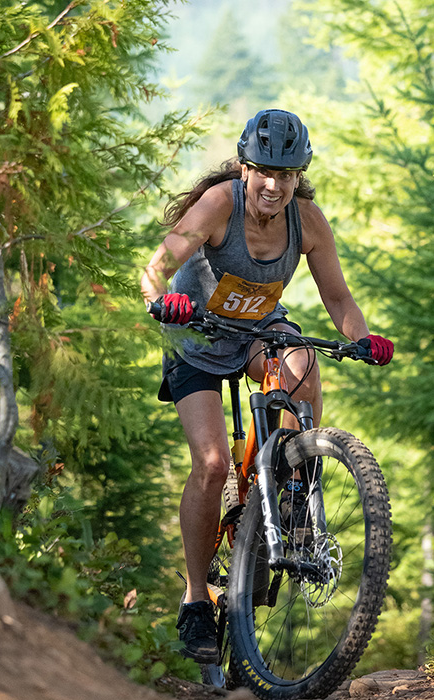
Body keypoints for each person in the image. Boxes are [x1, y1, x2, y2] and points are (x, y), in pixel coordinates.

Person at [140, 108, 394, 664]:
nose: (273, 186)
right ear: (245, 168)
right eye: (263, 172)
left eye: (286, 174)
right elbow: (154, 269)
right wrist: (163, 301)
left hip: (256, 333)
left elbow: (338, 298)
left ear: (298, 176)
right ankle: (195, 599)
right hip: (196, 340)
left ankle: (295, 492)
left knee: (302, 362)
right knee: (211, 466)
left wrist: (362, 338)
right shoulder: (219, 205)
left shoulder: (307, 221)